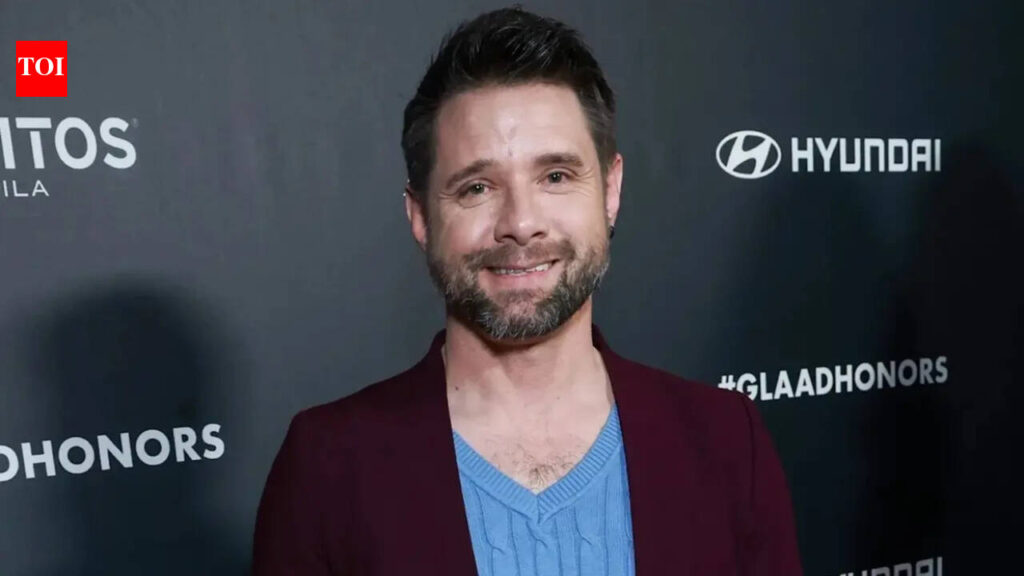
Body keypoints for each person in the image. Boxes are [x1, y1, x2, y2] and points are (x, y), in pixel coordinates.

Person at [253, 6, 802, 575]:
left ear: (610, 190)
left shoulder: (727, 440)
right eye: (477, 187)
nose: (520, 223)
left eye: (556, 177)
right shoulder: (326, 467)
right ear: (420, 217)